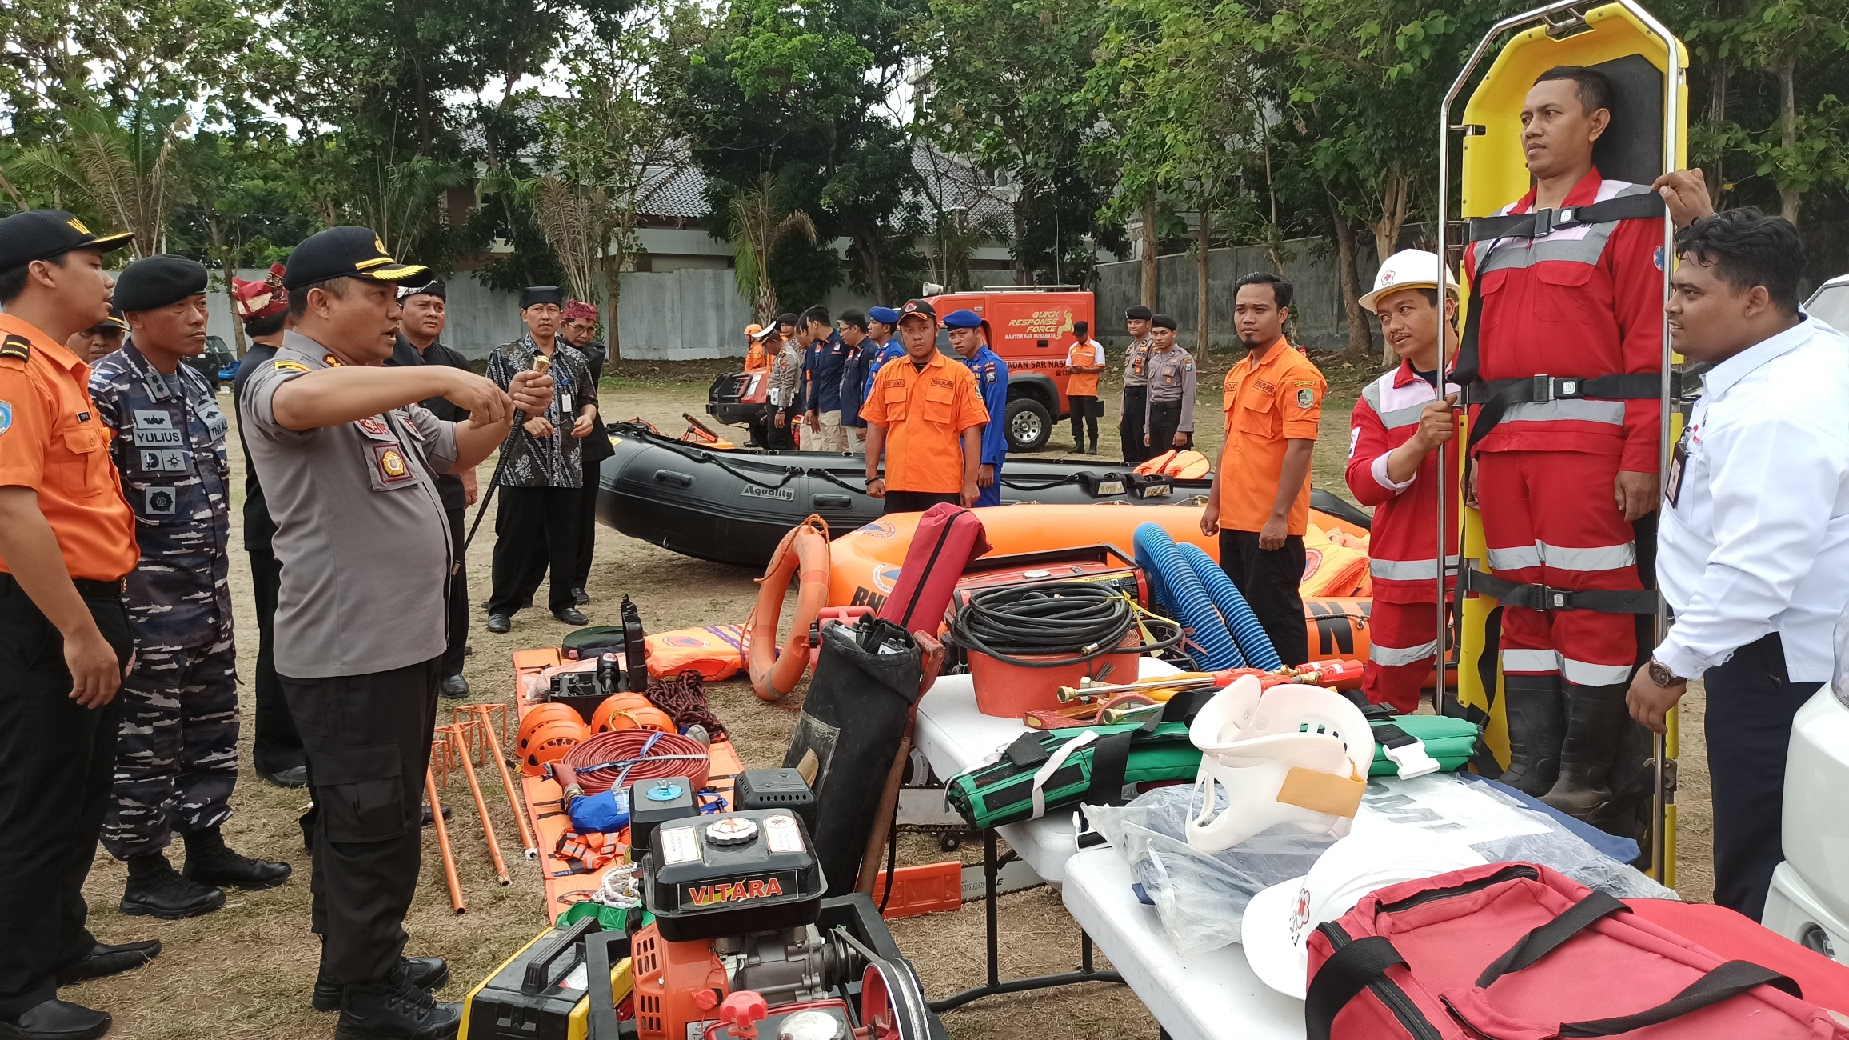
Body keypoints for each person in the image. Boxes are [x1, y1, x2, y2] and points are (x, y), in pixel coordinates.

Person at [240, 225, 553, 1039]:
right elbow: (297, 407)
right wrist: (447, 371)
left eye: (394, 296)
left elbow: (452, 450)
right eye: (377, 296)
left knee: (373, 816)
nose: (391, 310)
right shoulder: (286, 377)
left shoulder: (368, 383)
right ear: (320, 301)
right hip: (351, 653)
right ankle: (368, 996)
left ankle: (355, 959)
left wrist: (505, 413)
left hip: (399, 644)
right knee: (370, 823)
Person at [1625, 210, 1848, 920]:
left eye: (1691, 293)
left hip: (1773, 663)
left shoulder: (1778, 408)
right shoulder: (1797, 355)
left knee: (1763, 854)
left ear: (1756, 300)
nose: (1670, 306)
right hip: (1779, 654)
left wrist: (1670, 664)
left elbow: (1756, 567)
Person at [1459, 66, 1665, 814]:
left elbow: (1647, 347)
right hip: (1504, 452)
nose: (1532, 129)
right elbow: (1477, 356)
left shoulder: (1625, 213)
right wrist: (1477, 451)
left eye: (1550, 113)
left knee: (1593, 605)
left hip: (1589, 449)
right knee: (1522, 605)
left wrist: (1641, 455)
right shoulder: (1493, 230)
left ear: (1596, 124)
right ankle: (1534, 767)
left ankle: (1583, 775)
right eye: (1524, 117)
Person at [91, 254, 292, 923]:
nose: (197, 317)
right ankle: (145, 868)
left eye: (200, 305)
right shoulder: (107, 388)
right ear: (137, 316)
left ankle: (206, 843)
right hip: (143, 598)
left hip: (205, 591)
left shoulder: (197, 383)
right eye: (180, 308)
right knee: (146, 735)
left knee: (208, 722)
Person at [0, 209, 156, 1040]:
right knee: (35, 797)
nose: (108, 278)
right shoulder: (11, 366)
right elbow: (10, 514)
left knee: (80, 790)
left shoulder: (59, 369)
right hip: (39, 611)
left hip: (83, 599)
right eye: (93, 262)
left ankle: (59, 940)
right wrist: (76, 632)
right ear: (42, 272)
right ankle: (17, 991)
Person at [1345, 251, 1463, 713]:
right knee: (1388, 699)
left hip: (1483, 572)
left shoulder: (1494, 377)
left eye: (1406, 309)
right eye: (1385, 315)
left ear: (1448, 305)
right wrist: (1417, 445)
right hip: (1406, 573)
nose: (1393, 325)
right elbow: (1361, 482)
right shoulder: (1377, 397)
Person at [1201, 273, 1324, 666]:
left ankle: (1292, 690)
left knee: (1276, 617)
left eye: (1259, 309)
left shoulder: (1296, 374)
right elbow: (1231, 445)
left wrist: (1279, 517)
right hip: (1236, 522)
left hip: (1271, 527)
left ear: (1282, 314)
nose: (1247, 318)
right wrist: (1214, 504)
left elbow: (1300, 448)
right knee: (1238, 616)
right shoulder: (1239, 373)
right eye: (1241, 310)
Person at [229, 264, 310, 789]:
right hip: (275, 523)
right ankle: (277, 749)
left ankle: (297, 738)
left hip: (280, 520)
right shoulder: (266, 370)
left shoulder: (271, 362)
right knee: (282, 636)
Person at [483, 286, 596, 633]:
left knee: (565, 535)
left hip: (566, 461)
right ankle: (503, 605)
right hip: (521, 465)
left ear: (561, 315)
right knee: (515, 535)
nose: (545, 316)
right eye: (537, 309)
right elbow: (493, 401)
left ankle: (563, 600)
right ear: (524, 315)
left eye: (551, 309)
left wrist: (588, 418)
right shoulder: (505, 356)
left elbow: (587, 399)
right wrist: (523, 416)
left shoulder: (576, 359)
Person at [386, 279, 478, 697]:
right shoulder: (384, 360)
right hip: (397, 488)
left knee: (452, 573)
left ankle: (451, 664)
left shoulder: (454, 361)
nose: (433, 312)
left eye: (439, 306)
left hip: (446, 487)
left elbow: (466, 424)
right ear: (399, 308)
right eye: (423, 304)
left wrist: (468, 475)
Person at [861, 299, 988, 512]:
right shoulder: (888, 373)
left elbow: (972, 431)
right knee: (899, 545)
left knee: (941, 544)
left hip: (941, 485)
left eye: (923, 328)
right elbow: (875, 425)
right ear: (901, 334)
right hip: (898, 485)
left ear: (936, 330)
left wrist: (969, 482)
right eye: (909, 330)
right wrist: (871, 476)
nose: (916, 336)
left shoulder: (959, 375)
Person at [559, 300, 611, 604]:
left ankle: (576, 581)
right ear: (563, 325)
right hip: (550, 440)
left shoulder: (592, 354)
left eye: (590, 328)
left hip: (587, 441)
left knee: (581, 517)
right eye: (578, 327)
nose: (585, 334)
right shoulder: (544, 351)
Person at [944, 310, 1009, 507]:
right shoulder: (967, 365)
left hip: (984, 446)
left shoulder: (992, 366)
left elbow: (995, 415)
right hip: (966, 445)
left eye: (962, 334)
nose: (956, 340)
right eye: (952, 335)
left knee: (983, 510)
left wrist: (988, 461)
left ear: (977, 332)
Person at [1141, 314, 1196, 454]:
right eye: (1155, 333)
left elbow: (1189, 395)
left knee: (1174, 462)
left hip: (1173, 415)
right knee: (1156, 463)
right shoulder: (1153, 361)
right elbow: (1149, 396)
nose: (1158, 338)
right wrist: (1147, 429)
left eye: (1163, 333)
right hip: (1155, 416)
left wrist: (1184, 428)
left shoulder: (1184, 359)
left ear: (1174, 334)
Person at [800, 306, 849, 453]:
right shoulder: (818, 347)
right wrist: (811, 407)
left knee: (837, 451)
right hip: (822, 408)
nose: (808, 331)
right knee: (825, 453)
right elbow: (816, 379)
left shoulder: (841, 343)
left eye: (808, 326)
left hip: (836, 407)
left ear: (815, 324)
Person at [1119, 305, 1154, 463]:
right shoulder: (1132, 347)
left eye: (1137, 322)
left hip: (1143, 396)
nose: (1132, 326)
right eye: (1130, 322)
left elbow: (1154, 380)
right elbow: (1127, 380)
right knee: (1128, 443)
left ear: (1148, 324)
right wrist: (1122, 412)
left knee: (1142, 445)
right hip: (1129, 397)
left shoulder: (1153, 345)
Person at [1064, 319, 1105, 454]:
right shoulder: (1073, 348)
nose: (1078, 337)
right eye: (1077, 335)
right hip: (1073, 388)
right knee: (1075, 418)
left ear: (1087, 333)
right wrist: (1072, 370)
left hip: (1088, 388)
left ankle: (1093, 445)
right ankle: (1079, 444)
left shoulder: (1096, 347)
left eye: (1081, 335)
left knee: (1090, 418)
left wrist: (1084, 370)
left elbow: (1100, 367)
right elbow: (1067, 366)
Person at [837, 311, 873, 454]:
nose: (840, 334)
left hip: (858, 421)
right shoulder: (854, 351)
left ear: (855, 328)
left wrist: (861, 422)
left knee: (860, 461)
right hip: (850, 418)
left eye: (843, 329)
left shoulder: (868, 351)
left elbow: (867, 390)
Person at [763, 325, 801, 450]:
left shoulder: (787, 357)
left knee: (777, 439)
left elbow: (787, 384)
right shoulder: (781, 355)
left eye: (766, 346)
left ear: (774, 342)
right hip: (777, 400)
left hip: (783, 403)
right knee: (781, 437)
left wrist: (781, 410)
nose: (766, 350)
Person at [860, 306, 905, 410]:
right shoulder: (882, 350)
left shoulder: (893, 352)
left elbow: (893, 390)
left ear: (886, 328)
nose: (869, 327)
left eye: (873, 322)